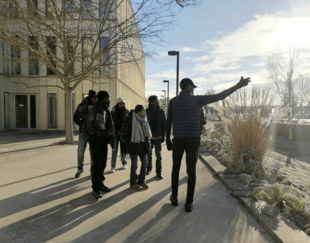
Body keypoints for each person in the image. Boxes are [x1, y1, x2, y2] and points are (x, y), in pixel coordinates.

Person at [166, 76, 251, 212]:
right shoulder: (197, 100)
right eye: (193, 87)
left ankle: (174, 198)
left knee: (175, 168)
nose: (193, 90)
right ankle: (188, 203)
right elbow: (219, 96)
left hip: (178, 139)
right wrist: (238, 86)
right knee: (191, 171)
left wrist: (167, 139)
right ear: (188, 86)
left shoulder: (173, 101)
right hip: (193, 139)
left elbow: (169, 121)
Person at [87, 91, 115, 199]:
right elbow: (90, 127)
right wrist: (101, 134)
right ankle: (96, 188)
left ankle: (101, 184)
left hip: (104, 141)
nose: (109, 100)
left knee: (103, 163)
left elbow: (110, 125)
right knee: (97, 165)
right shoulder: (93, 109)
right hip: (95, 140)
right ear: (103, 99)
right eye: (108, 98)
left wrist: (111, 136)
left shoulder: (106, 110)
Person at [122, 105, 152, 191]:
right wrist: (130, 143)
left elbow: (147, 133)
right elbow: (125, 134)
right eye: (143, 111)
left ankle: (141, 181)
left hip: (143, 146)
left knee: (145, 163)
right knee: (134, 165)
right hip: (134, 146)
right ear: (138, 112)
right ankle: (133, 183)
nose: (144, 112)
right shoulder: (131, 120)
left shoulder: (144, 119)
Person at [73, 90, 97, 178]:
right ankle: (80, 168)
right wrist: (81, 124)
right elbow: (75, 118)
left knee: (92, 152)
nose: (96, 99)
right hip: (83, 133)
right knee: (80, 151)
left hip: (93, 134)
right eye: (95, 98)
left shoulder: (97, 106)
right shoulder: (81, 106)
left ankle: (92, 169)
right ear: (91, 98)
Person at [146, 95, 166, 179]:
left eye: (157, 100)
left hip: (158, 137)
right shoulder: (147, 111)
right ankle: (148, 169)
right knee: (148, 154)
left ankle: (159, 172)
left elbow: (164, 123)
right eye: (155, 100)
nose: (157, 102)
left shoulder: (161, 111)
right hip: (149, 138)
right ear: (151, 102)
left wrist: (163, 135)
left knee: (158, 155)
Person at [110, 97, 129, 172]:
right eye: (120, 103)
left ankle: (124, 163)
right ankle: (113, 166)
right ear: (117, 103)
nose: (121, 104)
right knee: (114, 149)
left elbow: (128, 122)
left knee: (124, 149)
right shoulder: (113, 111)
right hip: (115, 133)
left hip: (123, 133)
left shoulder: (126, 112)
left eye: (123, 103)